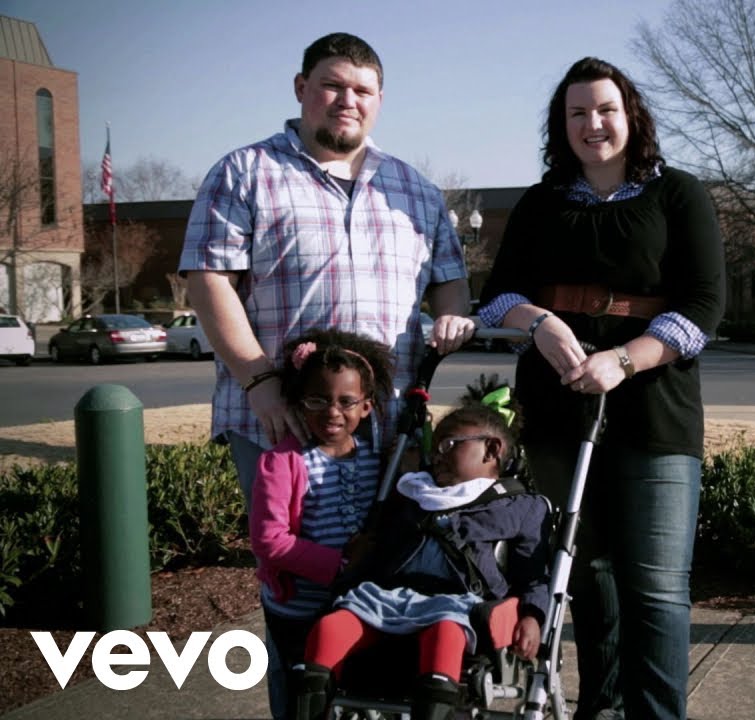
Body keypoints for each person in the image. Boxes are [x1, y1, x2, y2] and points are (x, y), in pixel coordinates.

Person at [177, 32, 474, 717]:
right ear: (301, 88)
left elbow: (451, 285)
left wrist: (453, 319)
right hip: (282, 421)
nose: (348, 101)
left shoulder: (414, 188)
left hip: (386, 430)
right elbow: (208, 280)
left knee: (388, 589)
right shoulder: (245, 172)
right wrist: (259, 379)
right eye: (333, 85)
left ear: (379, 101)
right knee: (297, 595)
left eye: (363, 90)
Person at [477, 57, 725, 720]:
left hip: (655, 414)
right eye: (577, 113)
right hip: (560, 412)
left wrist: (624, 358)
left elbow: (703, 303)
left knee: (657, 588)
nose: (593, 124)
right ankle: (601, 707)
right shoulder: (539, 203)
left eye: (605, 109)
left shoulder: (679, 194)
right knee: (585, 579)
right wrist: (540, 322)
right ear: (562, 126)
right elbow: (495, 298)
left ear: (631, 114)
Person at [290, 378, 550, 720]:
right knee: (330, 627)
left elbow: (534, 575)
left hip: (459, 604)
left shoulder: (518, 507)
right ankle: (312, 702)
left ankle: (435, 707)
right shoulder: (414, 494)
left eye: (449, 445)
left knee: (445, 633)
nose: (436, 455)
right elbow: (381, 549)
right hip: (387, 595)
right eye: (435, 446)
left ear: (491, 450)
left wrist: (533, 616)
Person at [248, 328, 395, 716]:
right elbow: (269, 540)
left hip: (357, 603)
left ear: (366, 406)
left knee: (354, 688)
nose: (332, 411)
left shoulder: (377, 459)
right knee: (306, 691)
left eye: (346, 401)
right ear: (298, 403)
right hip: (300, 606)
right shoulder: (283, 462)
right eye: (318, 399)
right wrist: (341, 566)